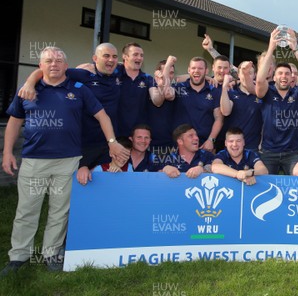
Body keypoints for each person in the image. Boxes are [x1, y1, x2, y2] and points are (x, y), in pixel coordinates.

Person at [1, 47, 127, 276]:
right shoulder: (28, 90)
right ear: (40, 66)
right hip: (34, 160)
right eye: (49, 61)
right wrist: (7, 152)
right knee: (26, 210)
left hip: (68, 160)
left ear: (66, 66)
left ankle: (51, 254)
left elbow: (102, 115)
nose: (54, 64)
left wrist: (111, 141)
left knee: (60, 211)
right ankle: (18, 257)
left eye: (59, 61)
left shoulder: (79, 88)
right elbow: (14, 122)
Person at [17, 43, 126, 185]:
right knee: (82, 182)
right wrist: (29, 83)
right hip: (85, 141)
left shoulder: (119, 73)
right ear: (95, 58)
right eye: (106, 56)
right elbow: (48, 70)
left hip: (109, 140)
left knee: (106, 183)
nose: (110, 60)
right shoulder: (83, 74)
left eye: (114, 57)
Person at [255, 27, 298, 175]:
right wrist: (271, 48)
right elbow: (260, 79)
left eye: (287, 74)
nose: (284, 76)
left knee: (297, 182)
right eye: (280, 73)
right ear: (274, 77)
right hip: (268, 152)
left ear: (291, 77)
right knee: (264, 185)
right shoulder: (267, 91)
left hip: (292, 153)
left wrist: (295, 49)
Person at [169, 57, 224, 152]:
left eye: (200, 68)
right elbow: (168, 79)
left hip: (205, 146)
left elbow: (219, 118)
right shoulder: (177, 88)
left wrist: (211, 140)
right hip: (180, 146)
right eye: (193, 68)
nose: (196, 71)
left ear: (206, 71)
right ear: (188, 70)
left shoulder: (215, 91)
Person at [220, 62, 262, 151]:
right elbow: (226, 111)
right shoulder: (231, 92)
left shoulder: (261, 94)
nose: (246, 75)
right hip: (233, 147)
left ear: (255, 75)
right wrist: (224, 87)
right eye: (243, 72)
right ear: (238, 74)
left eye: (250, 73)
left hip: (253, 147)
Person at [147, 57, 176, 149]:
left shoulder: (173, 87)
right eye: (166, 72)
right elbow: (157, 102)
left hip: (169, 140)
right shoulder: (151, 85)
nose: (168, 75)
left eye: (171, 73)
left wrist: (207, 77)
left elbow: (167, 94)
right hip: (149, 139)